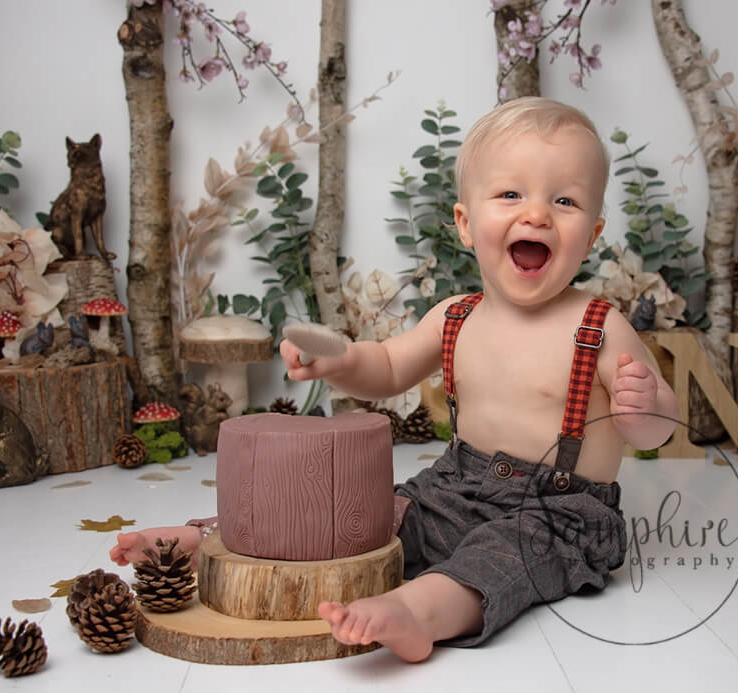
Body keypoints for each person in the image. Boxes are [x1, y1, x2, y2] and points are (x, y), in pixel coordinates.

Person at [112, 97, 678, 662]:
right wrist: (339, 361)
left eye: (564, 200)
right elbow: (386, 366)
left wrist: (644, 408)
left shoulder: (600, 327)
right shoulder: (456, 316)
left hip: (559, 512)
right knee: (362, 518)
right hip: (453, 488)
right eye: (511, 194)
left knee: (501, 556)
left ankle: (418, 612)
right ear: (465, 224)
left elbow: (659, 428)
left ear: (592, 234)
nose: (536, 215)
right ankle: (208, 540)